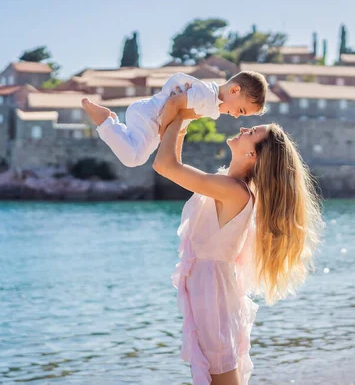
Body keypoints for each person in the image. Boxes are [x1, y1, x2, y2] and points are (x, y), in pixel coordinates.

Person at [153, 88, 323, 384]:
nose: (243, 127)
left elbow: (164, 166)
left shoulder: (233, 191)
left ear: (252, 154)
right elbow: (174, 164)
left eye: (251, 131)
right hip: (211, 287)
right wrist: (182, 120)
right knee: (217, 369)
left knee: (220, 371)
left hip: (212, 292)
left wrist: (180, 113)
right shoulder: (229, 184)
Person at [80, 70, 268, 168]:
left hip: (147, 114)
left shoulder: (210, 101)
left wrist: (175, 156)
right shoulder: (206, 97)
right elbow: (172, 104)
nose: (236, 116)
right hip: (150, 117)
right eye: (241, 110)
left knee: (137, 157)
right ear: (234, 90)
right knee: (133, 158)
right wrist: (164, 134)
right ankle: (106, 122)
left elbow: (183, 121)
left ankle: (110, 123)